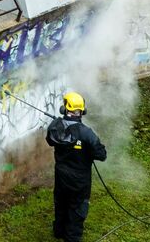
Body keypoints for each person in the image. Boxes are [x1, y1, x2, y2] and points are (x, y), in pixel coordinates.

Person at [46, 91, 108, 242]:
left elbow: (50, 140)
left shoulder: (55, 128)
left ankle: (59, 231)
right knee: (77, 208)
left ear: (65, 109)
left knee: (61, 203)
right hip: (79, 181)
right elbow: (102, 155)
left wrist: (60, 124)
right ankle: (72, 237)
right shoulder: (87, 134)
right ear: (82, 111)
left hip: (61, 177)